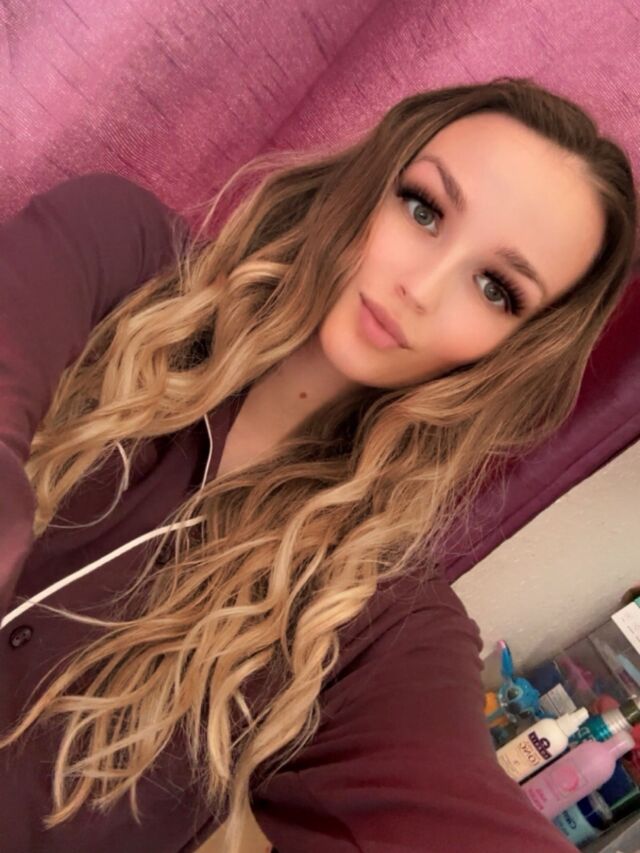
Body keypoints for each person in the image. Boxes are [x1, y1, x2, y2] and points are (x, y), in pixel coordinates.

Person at [0, 76, 637, 853]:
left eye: (495, 288)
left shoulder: (381, 624)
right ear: (371, 179)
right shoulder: (116, 257)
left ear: (517, 352)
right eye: (424, 208)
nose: (419, 287)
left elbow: (444, 809)